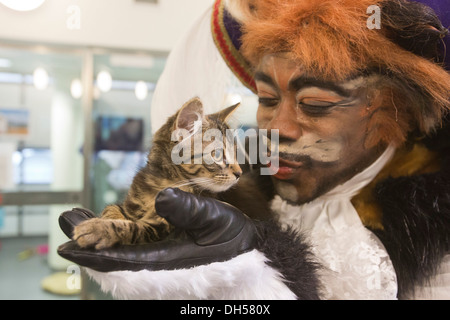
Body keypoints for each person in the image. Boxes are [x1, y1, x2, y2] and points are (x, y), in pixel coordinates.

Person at [58, 0, 450, 299]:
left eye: (315, 104)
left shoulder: (438, 256)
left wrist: (263, 275)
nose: (275, 130)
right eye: (265, 98)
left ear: (397, 111)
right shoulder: (232, 186)